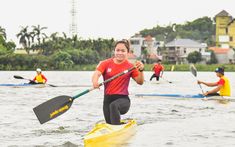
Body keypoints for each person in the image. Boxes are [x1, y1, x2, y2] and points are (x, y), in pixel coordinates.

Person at [92, 39, 144, 125]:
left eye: (123, 51)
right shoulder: (105, 63)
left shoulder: (131, 66)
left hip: (123, 100)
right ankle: (116, 126)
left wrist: (141, 70)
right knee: (109, 123)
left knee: (114, 106)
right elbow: (96, 74)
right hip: (107, 100)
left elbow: (140, 82)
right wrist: (95, 82)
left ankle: (117, 127)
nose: (120, 53)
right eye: (117, 50)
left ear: (127, 52)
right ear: (114, 51)